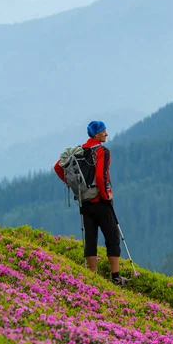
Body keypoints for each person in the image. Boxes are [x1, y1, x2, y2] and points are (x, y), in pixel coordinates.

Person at [54, 120, 130, 287]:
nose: (106, 133)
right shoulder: (102, 151)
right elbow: (101, 176)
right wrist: (106, 195)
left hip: (85, 201)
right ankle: (115, 277)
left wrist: (74, 186)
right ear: (97, 134)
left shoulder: (79, 150)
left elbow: (58, 167)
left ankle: (92, 277)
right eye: (103, 131)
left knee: (90, 237)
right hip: (101, 201)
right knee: (112, 236)